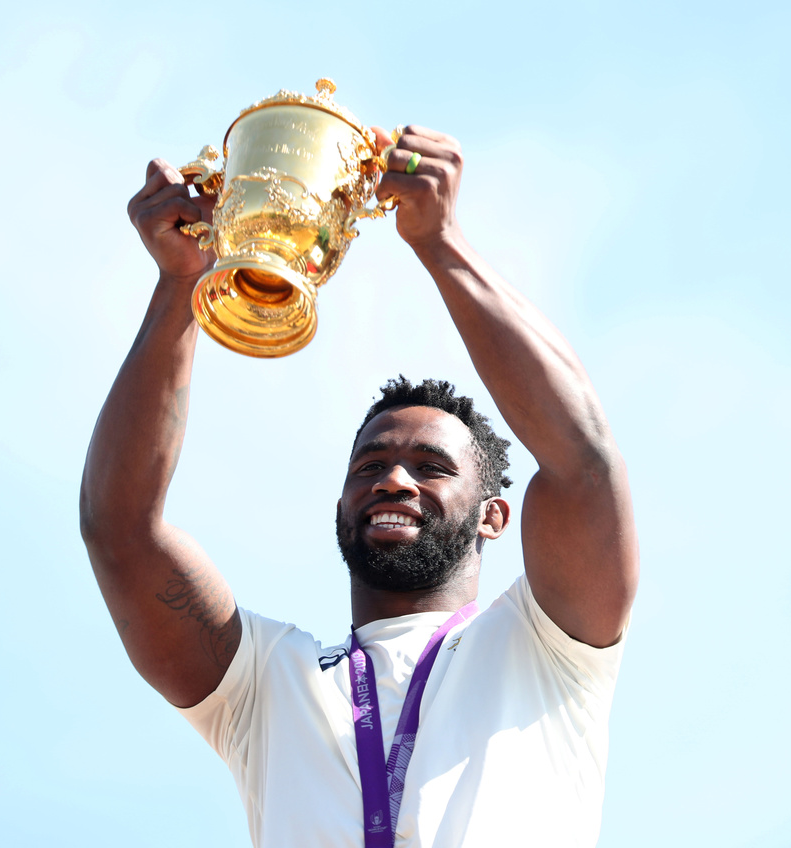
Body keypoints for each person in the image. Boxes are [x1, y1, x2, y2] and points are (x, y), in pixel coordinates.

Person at [79, 126, 639, 847]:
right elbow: (120, 531)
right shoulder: (264, 683)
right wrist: (180, 284)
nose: (394, 481)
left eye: (431, 467)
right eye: (369, 468)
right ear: (340, 505)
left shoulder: (549, 644)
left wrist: (442, 244)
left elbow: (584, 461)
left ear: (494, 515)